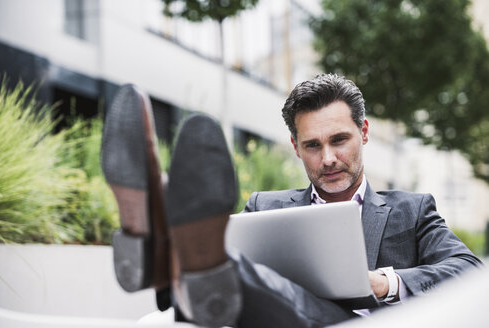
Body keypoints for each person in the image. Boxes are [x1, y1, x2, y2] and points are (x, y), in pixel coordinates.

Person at [101, 74, 481, 328]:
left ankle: (155, 245)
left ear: (363, 133)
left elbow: (467, 268)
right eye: (312, 145)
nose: (328, 158)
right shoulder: (265, 207)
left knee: (216, 262)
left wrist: (385, 282)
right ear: (295, 149)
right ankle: (169, 241)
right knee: (216, 269)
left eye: (339, 140)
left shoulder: (411, 211)